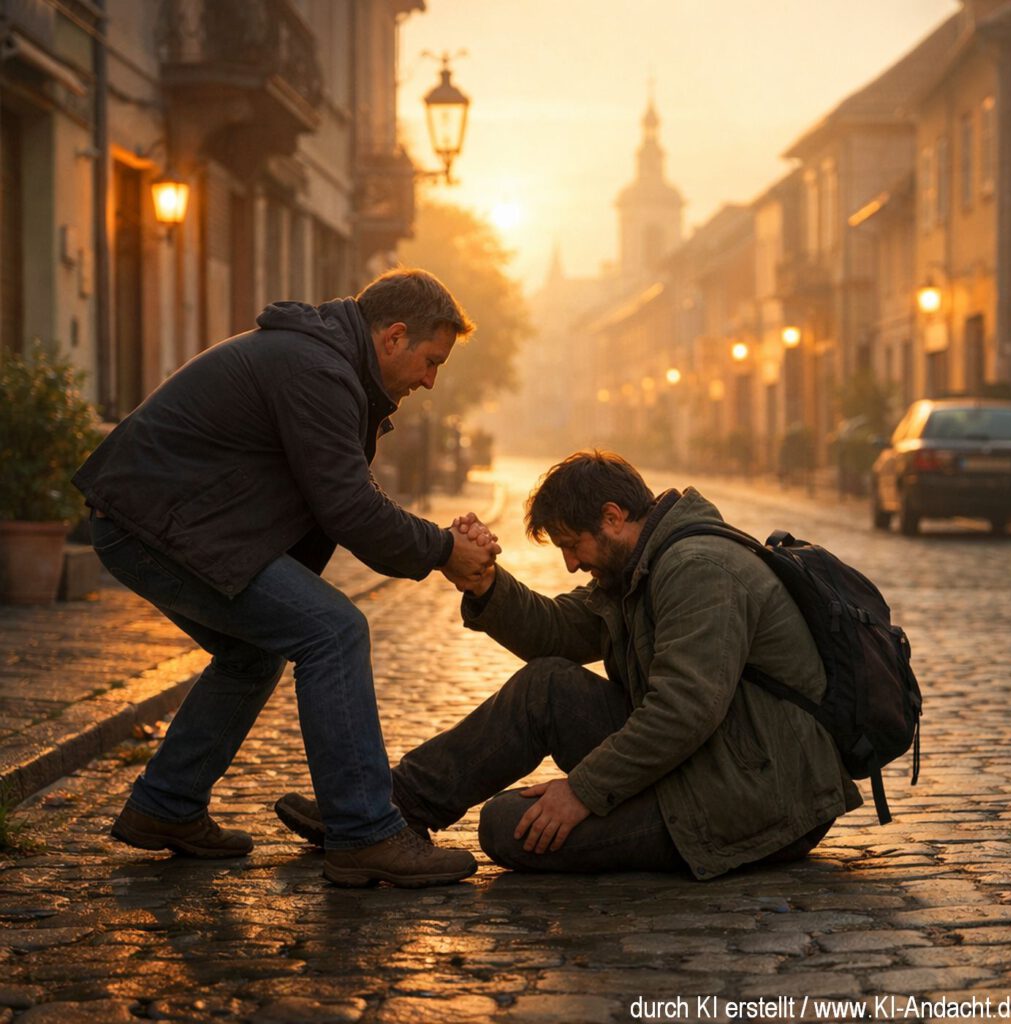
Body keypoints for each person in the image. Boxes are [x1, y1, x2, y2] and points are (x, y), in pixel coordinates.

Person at [73, 268, 499, 888]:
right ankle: (364, 833)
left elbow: (338, 497)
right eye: (431, 361)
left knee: (252, 655)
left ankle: (165, 806)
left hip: (165, 521)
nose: (432, 380)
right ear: (394, 336)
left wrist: (439, 544)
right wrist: (442, 551)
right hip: (153, 523)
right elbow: (350, 509)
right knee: (334, 630)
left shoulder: (326, 364)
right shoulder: (318, 370)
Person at [275, 450, 863, 880]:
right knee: (546, 686)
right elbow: (556, 631)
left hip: (754, 794)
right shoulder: (638, 567)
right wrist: (485, 584)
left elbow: (685, 711)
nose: (572, 565)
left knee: (505, 827)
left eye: (571, 545)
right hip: (709, 762)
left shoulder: (698, 568)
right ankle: (383, 811)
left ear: (611, 517)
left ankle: (383, 815)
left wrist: (581, 791)